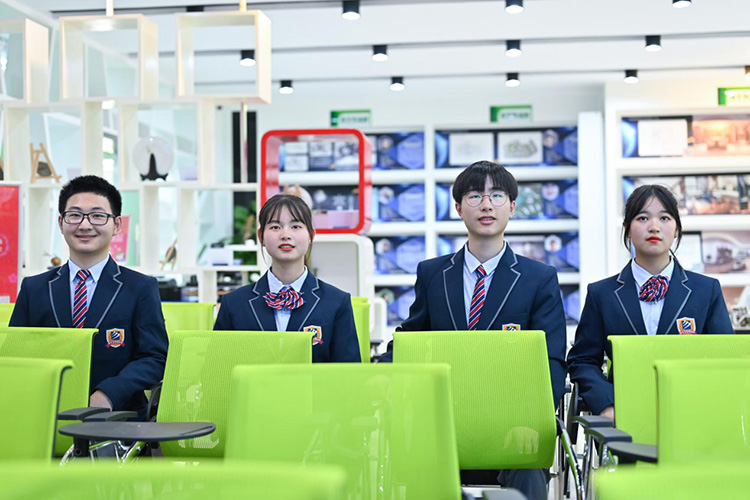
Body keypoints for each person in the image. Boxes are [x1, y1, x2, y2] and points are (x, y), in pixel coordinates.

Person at [380, 160, 567, 500]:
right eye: (475, 196)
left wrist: (531, 420)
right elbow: (412, 338)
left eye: (497, 196)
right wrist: (380, 371)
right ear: (458, 208)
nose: (486, 205)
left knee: (527, 468)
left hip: (513, 421)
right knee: (419, 466)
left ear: (512, 207)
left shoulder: (538, 279)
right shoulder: (433, 274)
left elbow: (551, 360)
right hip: (445, 417)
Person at [567, 184, 734, 420]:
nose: (654, 226)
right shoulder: (602, 294)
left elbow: (725, 359)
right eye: (643, 218)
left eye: (664, 218)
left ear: (676, 229)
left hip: (692, 414)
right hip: (624, 416)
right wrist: (607, 404)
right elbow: (582, 360)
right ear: (627, 229)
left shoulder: (706, 290)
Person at [11, 175, 168, 416]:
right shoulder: (34, 288)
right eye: (75, 215)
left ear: (116, 225)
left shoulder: (140, 287)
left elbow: (155, 356)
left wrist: (109, 393)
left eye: (97, 216)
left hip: (116, 416)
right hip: (45, 412)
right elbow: (16, 355)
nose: (85, 225)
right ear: (61, 223)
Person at [214, 193, 360, 363]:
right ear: (261, 236)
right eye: (275, 227)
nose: (285, 234)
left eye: (296, 226)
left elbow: (349, 373)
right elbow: (216, 371)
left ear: (311, 235)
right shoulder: (234, 304)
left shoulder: (337, 302)